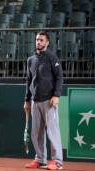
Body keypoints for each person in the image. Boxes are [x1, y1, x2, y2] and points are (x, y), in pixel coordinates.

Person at [23, 31, 63, 170]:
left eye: (41, 40)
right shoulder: (31, 60)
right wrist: (27, 100)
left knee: (53, 132)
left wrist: (56, 95)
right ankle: (40, 159)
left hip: (49, 100)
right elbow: (28, 80)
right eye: (37, 40)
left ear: (47, 42)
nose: (38, 42)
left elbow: (59, 77)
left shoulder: (52, 58)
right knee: (36, 133)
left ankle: (57, 162)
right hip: (35, 101)